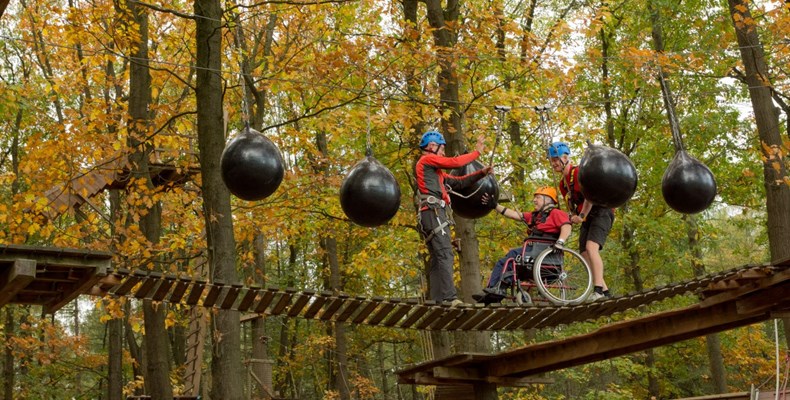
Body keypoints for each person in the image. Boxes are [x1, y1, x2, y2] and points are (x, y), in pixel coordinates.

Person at [415, 130, 491, 306]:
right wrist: (477, 152)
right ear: (432, 146)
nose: (443, 153)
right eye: (442, 149)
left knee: (437, 257)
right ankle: (449, 297)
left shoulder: (437, 174)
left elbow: (459, 182)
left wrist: (481, 173)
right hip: (433, 212)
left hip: (432, 214)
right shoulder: (426, 160)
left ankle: (436, 299)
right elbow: (454, 162)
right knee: (445, 254)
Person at [473, 186, 571, 304]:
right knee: (507, 260)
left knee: (511, 256)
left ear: (548, 200)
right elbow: (514, 214)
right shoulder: (535, 216)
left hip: (545, 253)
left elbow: (566, 227)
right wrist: (495, 205)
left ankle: (498, 288)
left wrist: (560, 242)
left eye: (538, 197)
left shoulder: (556, 213)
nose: (534, 200)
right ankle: (495, 289)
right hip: (533, 253)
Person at [548, 141, 615, 302]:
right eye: (552, 161)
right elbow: (573, 206)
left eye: (557, 159)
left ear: (566, 158)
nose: (554, 163)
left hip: (601, 211)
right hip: (587, 216)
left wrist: (582, 215)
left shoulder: (579, 173)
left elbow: (589, 197)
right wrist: (571, 217)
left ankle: (597, 290)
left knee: (592, 248)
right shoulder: (563, 185)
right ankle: (605, 292)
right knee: (585, 254)